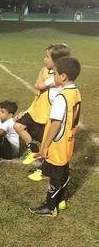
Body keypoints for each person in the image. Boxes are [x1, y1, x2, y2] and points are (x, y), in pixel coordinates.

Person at [30, 56, 81, 217]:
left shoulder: (61, 98)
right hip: (68, 140)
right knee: (64, 170)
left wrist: (45, 145)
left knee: (55, 175)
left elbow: (55, 124)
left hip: (57, 143)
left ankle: (50, 206)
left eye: (56, 74)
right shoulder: (75, 92)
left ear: (63, 76)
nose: (54, 77)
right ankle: (60, 200)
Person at [14, 44, 70, 165]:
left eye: (47, 57)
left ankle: (44, 166)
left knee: (46, 142)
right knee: (18, 126)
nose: (44, 59)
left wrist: (40, 74)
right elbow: (39, 91)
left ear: (56, 61)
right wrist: (27, 110)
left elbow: (39, 85)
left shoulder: (58, 78)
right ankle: (33, 149)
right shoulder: (47, 70)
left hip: (47, 114)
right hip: (36, 110)